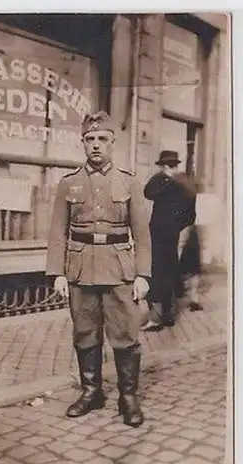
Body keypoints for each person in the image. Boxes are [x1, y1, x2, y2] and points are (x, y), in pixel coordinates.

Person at [45, 111, 151, 428]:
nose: (95, 145)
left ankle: (128, 397)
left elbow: (143, 234)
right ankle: (92, 392)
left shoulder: (129, 181)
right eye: (89, 139)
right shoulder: (69, 184)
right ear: (82, 143)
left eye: (102, 139)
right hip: (80, 270)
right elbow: (56, 232)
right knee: (85, 334)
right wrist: (58, 273)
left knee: (125, 335)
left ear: (112, 143)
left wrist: (143, 275)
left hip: (120, 270)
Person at [142, 150, 196, 332]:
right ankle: (167, 316)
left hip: (163, 235)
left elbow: (148, 192)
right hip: (166, 234)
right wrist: (177, 227)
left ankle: (159, 318)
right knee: (165, 272)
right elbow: (148, 193)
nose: (169, 168)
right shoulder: (176, 183)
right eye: (170, 165)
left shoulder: (172, 182)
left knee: (161, 273)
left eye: (168, 166)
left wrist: (176, 228)